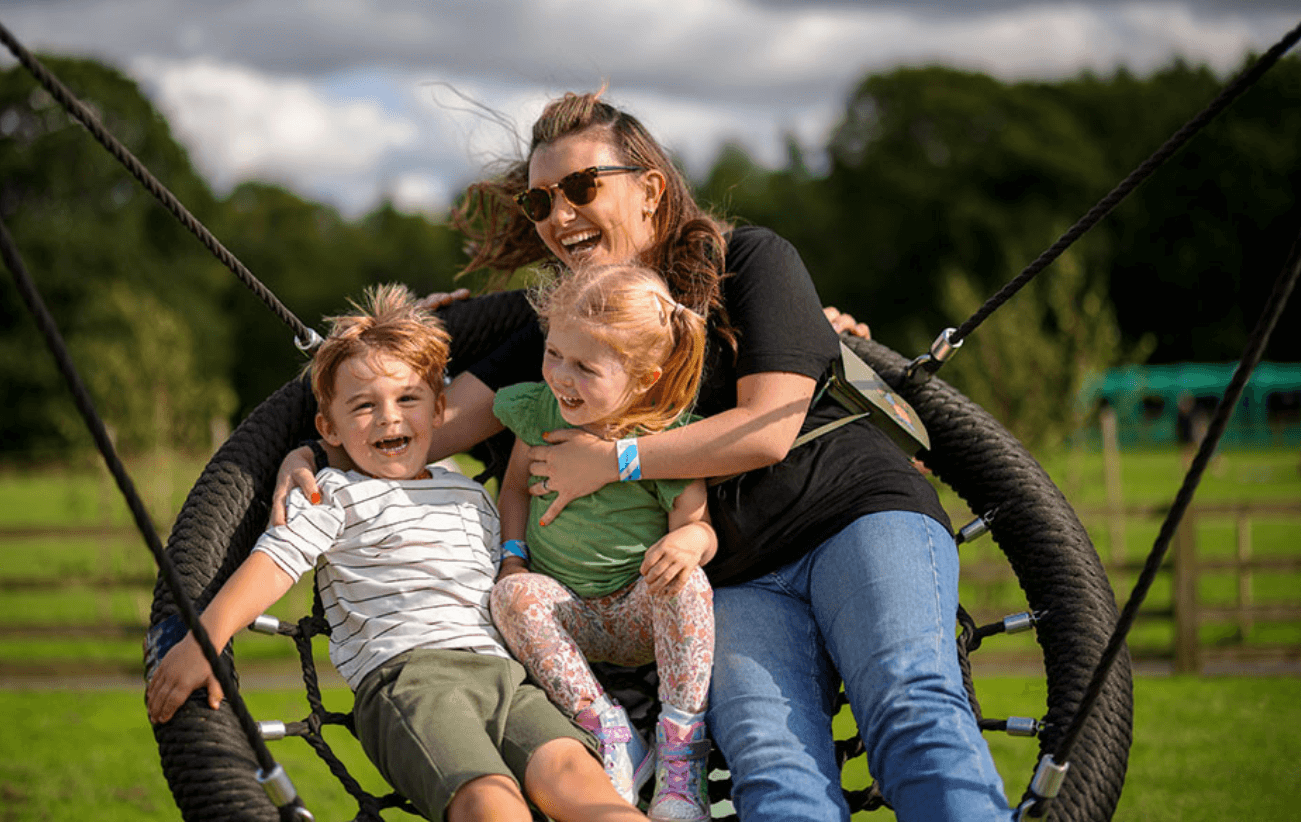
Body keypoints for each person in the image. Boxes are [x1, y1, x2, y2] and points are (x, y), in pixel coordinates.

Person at [277, 90, 1011, 821]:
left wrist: (616, 459)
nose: (559, 215)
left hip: (853, 512)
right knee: (772, 757)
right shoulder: (561, 333)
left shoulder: (748, 261)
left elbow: (768, 428)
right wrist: (316, 447)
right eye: (539, 203)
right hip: (736, 578)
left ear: (650, 188)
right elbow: (421, 429)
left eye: (580, 188)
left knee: (908, 702)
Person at [148, 284, 650, 822]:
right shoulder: (335, 491)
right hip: (410, 678)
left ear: (439, 411)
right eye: (364, 406)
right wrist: (208, 636)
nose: (390, 418)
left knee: (585, 785)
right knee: (491, 804)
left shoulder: (469, 492)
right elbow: (278, 560)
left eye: (408, 399)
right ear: (329, 428)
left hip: (506, 673)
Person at [490, 263, 716, 821]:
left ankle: (681, 762)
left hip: (640, 614)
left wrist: (689, 545)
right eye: (554, 354)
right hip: (567, 618)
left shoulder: (666, 437)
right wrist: (513, 557)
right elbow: (514, 490)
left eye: (586, 367)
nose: (561, 377)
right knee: (510, 597)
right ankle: (608, 729)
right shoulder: (538, 413)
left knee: (689, 583)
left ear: (641, 377)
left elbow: (699, 525)